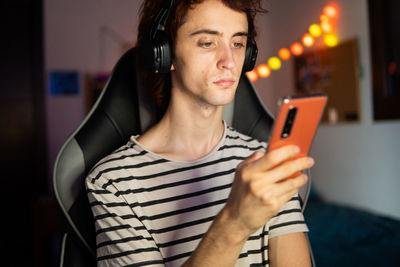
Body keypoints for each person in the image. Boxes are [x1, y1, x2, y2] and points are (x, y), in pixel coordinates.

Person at [86, 0, 314, 266]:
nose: (229, 62)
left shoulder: (265, 163)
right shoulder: (112, 182)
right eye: (208, 42)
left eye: (238, 43)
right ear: (165, 53)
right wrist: (235, 222)